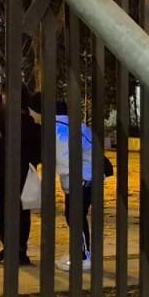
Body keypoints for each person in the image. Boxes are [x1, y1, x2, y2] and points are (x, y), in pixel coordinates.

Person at [0, 90, 44, 265]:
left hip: (22, 168)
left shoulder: (28, 115)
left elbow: (38, 143)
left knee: (20, 210)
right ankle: (9, 246)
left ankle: (20, 250)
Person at [53, 99, 101, 270]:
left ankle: (83, 255)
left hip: (80, 179)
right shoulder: (75, 126)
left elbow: (64, 159)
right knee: (74, 216)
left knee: (75, 216)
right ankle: (81, 252)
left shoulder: (59, 128)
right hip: (87, 177)